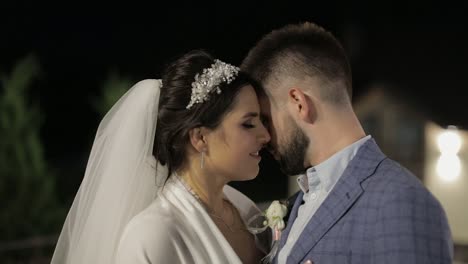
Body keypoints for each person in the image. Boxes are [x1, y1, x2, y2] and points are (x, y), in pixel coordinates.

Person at [241, 22, 453, 264]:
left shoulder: (399, 202)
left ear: (299, 102)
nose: (265, 136)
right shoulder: (301, 202)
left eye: (267, 119)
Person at [51, 50, 271, 263]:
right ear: (200, 138)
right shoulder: (152, 237)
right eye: (248, 124)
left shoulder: (244, 209)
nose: (265, 135)